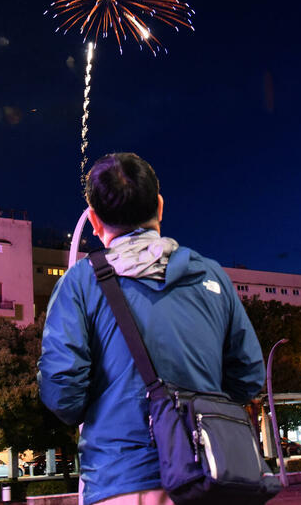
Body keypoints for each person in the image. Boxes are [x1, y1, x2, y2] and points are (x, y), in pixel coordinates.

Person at [38, 153, 265, 505]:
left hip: (121, 481)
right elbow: (249, 375)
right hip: (210, 478)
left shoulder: (79, 284)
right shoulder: (212, 275)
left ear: (95, 221)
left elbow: (62, 392)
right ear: (159, 206)